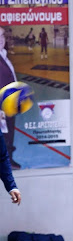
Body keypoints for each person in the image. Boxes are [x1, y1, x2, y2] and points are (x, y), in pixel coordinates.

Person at [0, 27, 21, 171]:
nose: (1, 39)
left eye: (2, 36)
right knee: (4, 133)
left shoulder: (4, 56)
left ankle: (8, 159)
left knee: (9, 132)